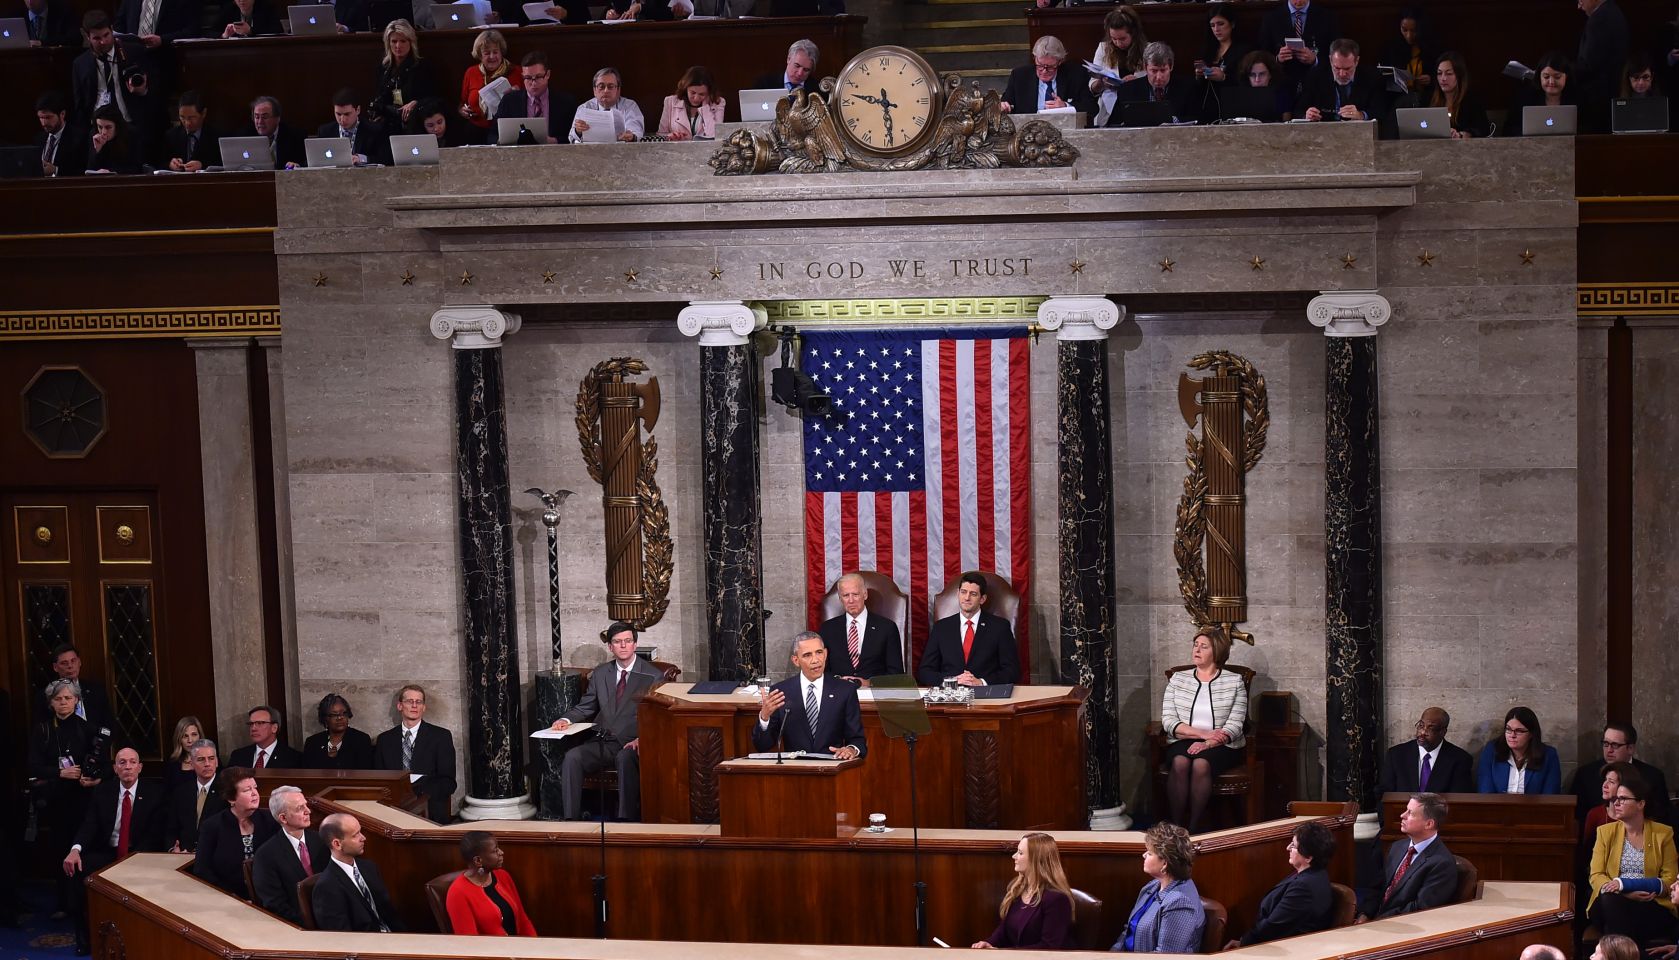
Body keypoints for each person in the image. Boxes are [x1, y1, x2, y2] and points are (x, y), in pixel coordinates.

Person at [549, 621, 665, 821]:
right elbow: (587, 706)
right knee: (572, 758)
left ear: (635, 644)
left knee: (624, 758)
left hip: (634, 743)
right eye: (617, 642)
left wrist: (642, 740)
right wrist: (565, 718)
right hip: (603, 741)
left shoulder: (652, 675)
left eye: (627, 641)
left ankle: (625, 821)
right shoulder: (602, 673)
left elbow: (659, 717)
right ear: (610, 647)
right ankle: (571, 820)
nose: (623, 645)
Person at [61, 747, 164, 953]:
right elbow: (89, 825)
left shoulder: (155, 793)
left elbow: (155, 835)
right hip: (108, 852)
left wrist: (134, 860)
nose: (128, 767)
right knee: (77, 869)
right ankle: (85, 941)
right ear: (115, 768)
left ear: (140, 767)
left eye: (132, 762)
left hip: (140, 855)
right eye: (122, 763)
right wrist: (75, 849)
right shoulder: (103, 791)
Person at [28, 678, 102, 923]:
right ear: (51, 703)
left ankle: (84, 903)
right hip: (56, 800)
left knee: (83, 850)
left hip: (83, 800)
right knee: (60, 849)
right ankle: (63, 903)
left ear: (77, 701)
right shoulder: (42, 729)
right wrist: (59, 772)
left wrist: (91, 778)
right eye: (58, 699)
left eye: (68, 698)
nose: (63, 703)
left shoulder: (87, 728)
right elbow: (32, 766)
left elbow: (100, 764)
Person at [1159, 626, 1247, 832]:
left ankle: (1194, 828)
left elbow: (1235, 724)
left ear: (1217, 651)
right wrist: (1202, 734)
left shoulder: (1234, 681)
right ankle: (1176, 828)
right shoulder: (1178, 679)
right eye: (1195, 645)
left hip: (1223, 745)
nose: (1196, 650)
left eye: (1203, 646)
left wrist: (1209, 742)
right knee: (1180, 762)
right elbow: (1169, 720)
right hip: (1183, 740)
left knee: (1200, 764)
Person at [1587, 771, 1678, 952]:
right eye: (1615, 799)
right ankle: (1625, 952)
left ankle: (1615, 951)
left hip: (1651, 903)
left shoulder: (1663, 834)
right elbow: (1596, 875)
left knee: (1620, 917)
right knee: (1610, 900)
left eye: (1623, 799)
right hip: (1611, 901)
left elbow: (1669, 880)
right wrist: (1624, 890)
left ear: (1640, 804)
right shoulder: (1605, 832)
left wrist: (1638, 886)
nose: (1616, 803)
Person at [751, 631, 866, 760]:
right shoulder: (781, 692)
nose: (815, 660)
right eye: (807, 655)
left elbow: (858, 741)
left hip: (832, 769)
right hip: (796, 771)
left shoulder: (845, 690)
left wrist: (851, 749)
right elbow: (762, 746)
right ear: (796, 660)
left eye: (819, 652)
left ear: (826, 653)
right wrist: (764, 717)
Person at [1231, 822, 1336, 946]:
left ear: (1308, 857)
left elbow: (1273, 927)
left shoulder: (1304, 887)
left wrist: (1243, 943)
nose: (1288, 848)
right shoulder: (1314, 874)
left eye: (1294, 846)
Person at [1360, 792, 1457, 921]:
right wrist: (1364, 914)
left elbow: (1419, 909)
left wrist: (1377, 922)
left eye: (1410, 813)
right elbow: (1378, 888)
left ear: (1429, 824)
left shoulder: (1442, 864)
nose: (1402, 815)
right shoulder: (1397, 847)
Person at [1112, 822, 1205, 952]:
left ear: (1165, 864)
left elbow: (1165, 956)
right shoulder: (1152, 886)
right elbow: (1128, 930)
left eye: (1150, 853)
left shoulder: (1180, 902)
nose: (1144, 855)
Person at [972, 832, 1073, 949]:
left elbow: (1049, 947)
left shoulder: (1056, 899)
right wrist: (989, 943)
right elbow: (1003, 931)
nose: (1014, 856)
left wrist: (1004, 953)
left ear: (1036, 859)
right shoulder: (1017, 889)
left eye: (1020, 853)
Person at [917, 572, 1019, 687]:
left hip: (986, 695)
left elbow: (1012, 671)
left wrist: (981, 682)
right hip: (950, 696)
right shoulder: (941, 627)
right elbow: (925, 671)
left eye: (973, 594)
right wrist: (951, 681)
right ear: (958, 594)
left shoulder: (1000, 627)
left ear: (982, 599)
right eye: (963, 592)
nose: (967, 598)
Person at [373, 684, 457, 824]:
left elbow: (448, 782)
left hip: (429, 811)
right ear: (400, 706)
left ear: (424, 707)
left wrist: (417, 796)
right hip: (392, 811)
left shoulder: (441, 737)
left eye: (418, 702)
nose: (414, 705)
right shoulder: (385, 740)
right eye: (409, 701)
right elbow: (378, 779)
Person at [193, 767, 279, 899]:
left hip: (267, 896)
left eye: (255, 787)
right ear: (231, 799)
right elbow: (202, 870)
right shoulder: (212, 826)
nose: (254, 793)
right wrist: (229, 895)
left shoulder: (270, 820)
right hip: (227, 897)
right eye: (247, 790)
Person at [250, 785, 329, 926]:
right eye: (300, 808)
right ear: (283, 818)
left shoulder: (322, 841)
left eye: (306, 805)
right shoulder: (266, 855)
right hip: (299, 926)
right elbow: (275, 904)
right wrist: (310, 924)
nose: (308, 811)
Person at [311, 812, 403, 932]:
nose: (363, 838)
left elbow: (389, 913)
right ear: (337, 844)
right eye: (355, 835)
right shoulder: (326, 887)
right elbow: (341, 937)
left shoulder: (369, 867)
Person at [1573, 723, 1672, 828]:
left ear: (1631, 748)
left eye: (1615, 745)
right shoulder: (1585, 774)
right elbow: (1577, 817)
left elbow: (1662, 817)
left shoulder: (1653, 776)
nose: (1609, 750)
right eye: (1606, 744)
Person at [818, 572, 904, 684]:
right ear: (840, 598)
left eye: (855, 594)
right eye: (845, 595)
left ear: (865, 595)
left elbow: (896, 674)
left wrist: (869, 683)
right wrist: (838, 681)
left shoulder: (887, 628)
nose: (851, 600)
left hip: (874, 694)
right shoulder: (827, 629)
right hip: (838, 694)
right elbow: (821, 670)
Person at [445, 831, 537, 936]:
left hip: (519, 947)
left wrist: (535, 945)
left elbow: (523, 919)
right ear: (478, 860)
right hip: (491, 951)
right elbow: (469, 943)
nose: (501, 852)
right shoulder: (457, 893)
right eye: (495, 850)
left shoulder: (503, 876)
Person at [1377, 707, 1475, 796]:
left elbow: (1459, 801)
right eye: (1421, 725)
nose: (1423, 732)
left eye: (1431, 728)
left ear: (1443, 732)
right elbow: (1384, 796)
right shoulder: (1396, 755)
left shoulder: (1460, 759)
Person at [1258, 0, 1339, 97]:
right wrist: (1277, 59)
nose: (1299, 1)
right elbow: (1262, 53)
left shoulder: (1327, 17)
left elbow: (1336, 52)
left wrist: (1315, 60)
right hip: (1282, 83)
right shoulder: (1271, 18)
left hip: (1316, 84)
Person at [1000, 35, 1096, 117]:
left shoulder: (1075, 75)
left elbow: (1092, 108)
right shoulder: (1019, 76)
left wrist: (1066, 107)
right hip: (1028, 133)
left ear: (1060, 61)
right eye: (1040, 65)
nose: (1044, 71)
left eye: (1050, 67)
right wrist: (1003, 106)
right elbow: (1005, 103)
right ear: (1035, 58)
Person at [1477, 706, 1562, 794]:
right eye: (1508, 729)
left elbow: (1551, 795)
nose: (1512, 735)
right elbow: (1485, 791)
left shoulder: (1548, 755)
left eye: (1519, 731)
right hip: (1497, 807)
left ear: (1531, 734)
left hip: (1534, 807)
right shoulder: (1492, 750)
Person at [1296, 38, 1383, 123]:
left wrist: (1361, 115)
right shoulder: (1315, 76)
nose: (1342, 74)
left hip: (1359, 133)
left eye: (1347, 69)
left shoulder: (1371, 77)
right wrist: (1307, 116)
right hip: (1323, 133)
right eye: (1337, 68)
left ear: (1356, 61)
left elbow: (1381, 112)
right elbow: (1298, 110)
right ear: (1330, 60)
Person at [370, 20, 434, 133]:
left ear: (411, 42)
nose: (398, 46)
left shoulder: (422, 67)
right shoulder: (384, 67)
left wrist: (416, 102)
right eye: (394, 41)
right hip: (389, 120)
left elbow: (434, 97)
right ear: (388, 43)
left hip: (414, 120)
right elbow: (379, 97)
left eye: (403, 41)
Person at [1575, 0, 1630, 132]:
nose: (1578, 6)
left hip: (1598, 100)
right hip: (1610, 95)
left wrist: (1563, 72)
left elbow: (1590, 64)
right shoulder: (1612, 12)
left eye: (1581, 0)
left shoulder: (1600, 18)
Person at [493, 52, 570, 145]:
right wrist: (502, 141)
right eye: (528, 78)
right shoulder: (509, 101)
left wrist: (554, 141)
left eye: (538, 77)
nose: (533, 83)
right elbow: (492, 135)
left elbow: (574, 138)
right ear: (522, 76)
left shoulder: (566, 102)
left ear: (548, 74)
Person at [1088, 5, 1147, 127]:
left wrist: (1137, 81)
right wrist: (1102, 83)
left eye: (1122, 38)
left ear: (1133, 33)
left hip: (1138, 104)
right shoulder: (1103, 48)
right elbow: (1092, 87)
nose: (1118, 43)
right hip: (1111, 106)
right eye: (1114, 39)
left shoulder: (1147, 50)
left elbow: (1154, 82)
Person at [1106, 41, 1190, 126]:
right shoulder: (1127, 90)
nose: (1159, 77)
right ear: (1145, 67)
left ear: (1171, 66)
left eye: (1163, 70)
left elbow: (1197, 120)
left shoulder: (1188, 88)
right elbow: (1114, 125)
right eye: (1154, 71)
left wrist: (1173, 120)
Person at [34, 644, 114, 731]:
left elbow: (109, 725)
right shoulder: (45, 695)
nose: (70, 666)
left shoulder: (97, 691)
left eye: (73, 661)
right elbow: (41, 731)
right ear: (55, 667)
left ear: (79, 662)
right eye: (64, 663)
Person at [165, 738, 224, 852]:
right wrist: (173, 849)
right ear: (191, 764)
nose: (207, 764)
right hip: (183, 856)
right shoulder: (181, 792)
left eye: (211, 759)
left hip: (215, 856)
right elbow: (171, 830)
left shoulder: (226, 790)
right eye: (201, 759)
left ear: (216, 762)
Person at [459, 30, 519, 137]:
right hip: (475, 128)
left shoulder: (516, 72)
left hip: (505, 129)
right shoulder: (471, 72)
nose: (492, 56)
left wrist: (516, 94)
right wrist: (463, 111)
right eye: (487, 53)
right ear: (480, 55)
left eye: (495, 52)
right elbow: (462, 103)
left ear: (501, 52)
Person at [1504, 52, 1575, 137]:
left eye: (1557, 77)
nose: (1551, 82)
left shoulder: (1578, 98)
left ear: (1566, 76)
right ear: (1539, 77)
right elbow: (1509, 129)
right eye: (1546, 77)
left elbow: (1588, 127)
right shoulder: (1525, 98)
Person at [318, 89, 392, 165]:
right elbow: (315, 160)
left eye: (347, 114)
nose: (342, 119)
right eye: (338, 114)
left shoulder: (374, 130)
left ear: (358, 110)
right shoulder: (325, 131)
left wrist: (362, 159)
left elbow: (386, 159)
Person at [570, 67, 644, 143]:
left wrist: (631, 136)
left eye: (610, 86)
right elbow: (572, 137)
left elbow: (636, 131)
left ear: (618, 90)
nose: (606, 91)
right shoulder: (584, 108)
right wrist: (578, 131)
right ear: (594, 90)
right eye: (601, 86)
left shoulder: (630, 106)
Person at [1378, 7, 1439, 100]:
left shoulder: (1433, 47)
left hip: (1427, 96)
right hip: (1398, 98)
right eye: (1404, 30)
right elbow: (1381, 77)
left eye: (1414, 30)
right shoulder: (1392, 48)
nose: (1409, 35)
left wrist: (1432, 79)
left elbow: (1443, 74)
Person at [303, 693, 376, 769]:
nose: (340, 718)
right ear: (325, 718)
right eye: (334, 715)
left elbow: (364, 772)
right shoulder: (313, 743)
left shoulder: (361, 740)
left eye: (344, 713)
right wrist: (329, 759)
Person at [1428, 52, 1490, 138]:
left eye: (1449, 73)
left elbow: (1483, 130)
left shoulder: (1472, 100)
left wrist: (1461, 134)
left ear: (1459, 75)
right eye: (1439, 73)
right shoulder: (1430, 98)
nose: (1443, 78)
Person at [656, 66, 726, 142]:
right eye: (692, 92)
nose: (696, 98)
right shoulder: (670, 101)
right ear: (686, 88)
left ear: (709, 92)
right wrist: (670, 137)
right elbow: (661, 135)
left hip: (706, 151)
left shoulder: (718, 103)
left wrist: (705, 107)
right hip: (676, 151)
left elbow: (715, 136)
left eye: (702, 94)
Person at [239, 97, 307, 171]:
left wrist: (297, 165)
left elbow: (305, 163)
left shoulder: (295, 136)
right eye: (257, 117)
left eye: (265, 117)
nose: (260, 122)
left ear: (277, 118)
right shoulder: (245, 135)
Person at [229, 703, 303, 769]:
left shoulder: (293, 758)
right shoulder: (238, 756)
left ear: (274, 728)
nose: (253, 728)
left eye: (260, 723)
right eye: (251, 724)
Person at [34, 90, 88, 177]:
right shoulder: (38, 139)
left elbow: (84, 171)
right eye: (41, 117)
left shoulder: (79, 138)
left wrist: (56, 170)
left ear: (62, 114)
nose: (44, 123)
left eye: (48, 117)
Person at [166, 91, 220, 172]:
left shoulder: (216, 136)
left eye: (192, 117)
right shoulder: (171, 136)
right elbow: (159, 162)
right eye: (182, 117)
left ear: (204, 113)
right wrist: (170, 164)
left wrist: (202, 165)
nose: (187, 123)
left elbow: (224, 164)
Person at [752, 38, 820, 98]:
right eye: (797, 66)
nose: (800, 73)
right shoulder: (765, 83)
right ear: (788, 59)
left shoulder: (818, 90)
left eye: (806, 70)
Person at [86, 104, 144, 174]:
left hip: (125, 180)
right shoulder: (94, 134)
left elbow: (137, 168)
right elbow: (90, 170)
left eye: (108, 127)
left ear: (117, 126)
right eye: (100, 127)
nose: (103, 132)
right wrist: (97, 151)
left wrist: (112, 172)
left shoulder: (131, 134)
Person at [113, 0, 198, 48]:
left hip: (166, 57)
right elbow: (119, 25)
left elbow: (192, 31)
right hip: (133, 60)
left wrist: (162, 40)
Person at [1236, 50, 1290, 121]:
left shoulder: (1281, 95)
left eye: (1262, 74)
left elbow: (1287, 124)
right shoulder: (1239, 96)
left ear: (1270, 74)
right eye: (1252, 75)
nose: (1257, 80)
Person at [410, 97, 475, 148]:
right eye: (430, 125)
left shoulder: (459, 132)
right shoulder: (417, 138)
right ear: (422, 126)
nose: (436, 129)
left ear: (445, 119)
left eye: (439, 122)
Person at [214, 0, 280, 37]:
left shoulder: (267, 8)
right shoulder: (229, 9)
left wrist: (251, 31)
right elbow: (209, 32)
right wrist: (224, 35)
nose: (242, 0)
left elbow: (278, 30)